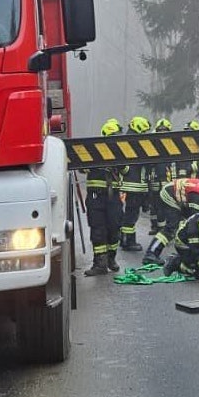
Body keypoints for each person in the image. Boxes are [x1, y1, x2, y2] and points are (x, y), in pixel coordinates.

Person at [84, 118, 125, 276]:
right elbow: (83, 168)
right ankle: (99, 263)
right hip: (95, 196)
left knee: (114, 228)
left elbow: (126, 170)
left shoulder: (122, 151)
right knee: (98, 229)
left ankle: (111, 259)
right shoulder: (93, 150)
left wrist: (117, 161)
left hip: (113, 197)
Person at [142, 177, 199, 266]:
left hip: (176, 193)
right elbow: (194, 223)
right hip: (170, 194)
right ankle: (151, 254)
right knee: (171, 228)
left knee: (184, 226)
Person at [118, 115, 152, 251]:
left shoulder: (128, 141)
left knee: (129, 213)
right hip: (136, 187)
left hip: (129, 186)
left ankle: (125, 239)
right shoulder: (138, 144)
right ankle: (128, 242)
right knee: (131, 215)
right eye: (144, 132)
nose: (146, 135)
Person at [146, 117, 174, 235]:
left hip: (165, 179)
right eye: (160, 130)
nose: (162, 133)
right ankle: (156, 227)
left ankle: (161, 228)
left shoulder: (172, 144)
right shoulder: (152, 143)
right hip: (155, 179)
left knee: (163, 204)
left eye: (164, 131)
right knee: (154, 204)